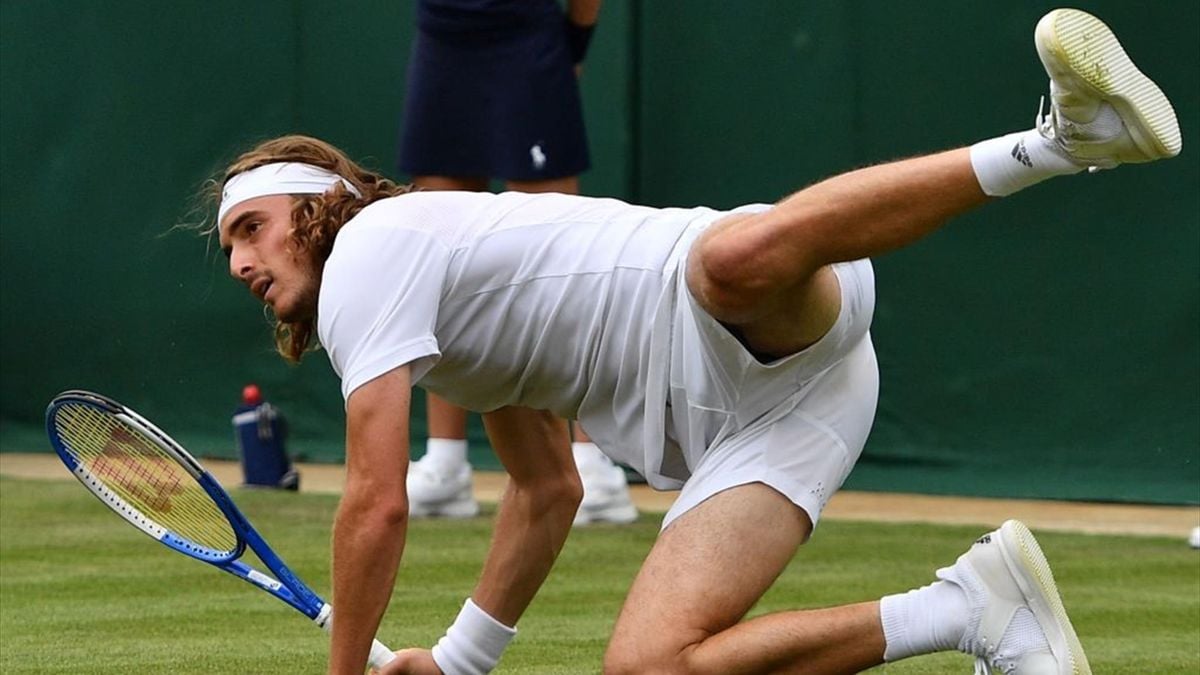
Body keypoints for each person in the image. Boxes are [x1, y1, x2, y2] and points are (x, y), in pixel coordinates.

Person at [212, 8, 1180, 674]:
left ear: (319, 204)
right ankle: (974, 607)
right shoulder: (442, 316)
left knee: (724, 262)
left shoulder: (371, 252)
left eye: (250, 229)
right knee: (648, 664)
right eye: (227, 249)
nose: (240, 263)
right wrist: (463, 659)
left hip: (746, 306)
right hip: (788, 418)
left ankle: (1055, 142)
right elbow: (546, 495)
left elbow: (376, 506)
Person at [396, 0, 637, 525]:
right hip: (443, 40)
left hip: (528, 40)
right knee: (437, 259)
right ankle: (445, 465)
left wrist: (572, 43)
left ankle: (592, 462)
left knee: (564, 264)